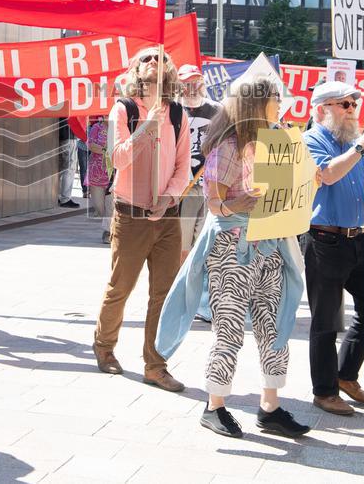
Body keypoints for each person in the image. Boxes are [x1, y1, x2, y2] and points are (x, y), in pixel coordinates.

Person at [155, 76, 308, 439]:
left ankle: (270, 406)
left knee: (274, 327)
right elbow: (214, 203)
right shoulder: (229, 146)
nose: (279, 103)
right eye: (274, 98)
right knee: (230, 330)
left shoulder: (276, 142)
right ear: (255, 104)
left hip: (269, 246)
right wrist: (236, 203)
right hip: (231, 250)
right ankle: (214, 406)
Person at [92, 47, 191, 393]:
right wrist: (144, 130)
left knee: (163, 294)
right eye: (147, 58)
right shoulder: (124, 108)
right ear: (135, 68)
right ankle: (104, 346)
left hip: (167, 217)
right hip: (131, 215)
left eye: (161, 58)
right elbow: (116, 159)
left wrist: (169, 197)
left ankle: (155, 364)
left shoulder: (178, 113)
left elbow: (184, 165)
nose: (154, 62)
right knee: (121, 287)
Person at [301, 81, 364, 416]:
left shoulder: (355, 143)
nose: (353, 109)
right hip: (324, 240)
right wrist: (362, 148)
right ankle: (324, 390)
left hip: (358, 238)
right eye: (345, 104)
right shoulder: (310, 140)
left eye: (355, 103)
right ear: (324, 109)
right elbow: (327, 175)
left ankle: (345, 374)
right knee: (327, 319)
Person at [177, 64, 222, 263]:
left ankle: (198, 287)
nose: (191, 88)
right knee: (182, 244)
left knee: (205, 243)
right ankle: (182, 286)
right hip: (182, 186)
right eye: (186, 84)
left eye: (195, 82)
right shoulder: (172, 109)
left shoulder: (217, 110)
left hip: (210, 185)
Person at [86, 114, 113, 245]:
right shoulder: (96, 127)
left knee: (111, 204)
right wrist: (106, 150)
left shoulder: (120, 128)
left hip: (114, 172)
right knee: (99, 206)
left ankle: (108, 231)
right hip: (96, 172)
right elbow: (91, 145)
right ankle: (109, 224)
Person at [58, 119, 80, 208]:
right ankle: (65, 198)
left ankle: (60, 196)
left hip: (61, 135)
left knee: (62, 168)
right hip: (68, 135)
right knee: (69, 168)